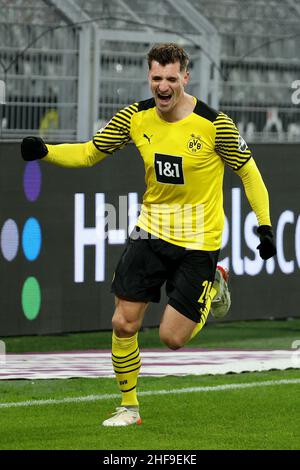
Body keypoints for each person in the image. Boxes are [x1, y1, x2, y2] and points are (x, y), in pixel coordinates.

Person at [21, 43, 276, 427]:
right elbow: (91, 152)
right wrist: (46, 151)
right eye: (157, 77)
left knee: (173, 338)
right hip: (151, 231)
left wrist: (265, 224)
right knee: (123, 322)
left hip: (198, 240)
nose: (163, 86)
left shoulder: (214, 124)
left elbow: (249, 172)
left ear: (185, 78)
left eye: (171, 78)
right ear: (149, 77)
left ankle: (215, 283)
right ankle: (129, 407)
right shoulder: (134, 118)